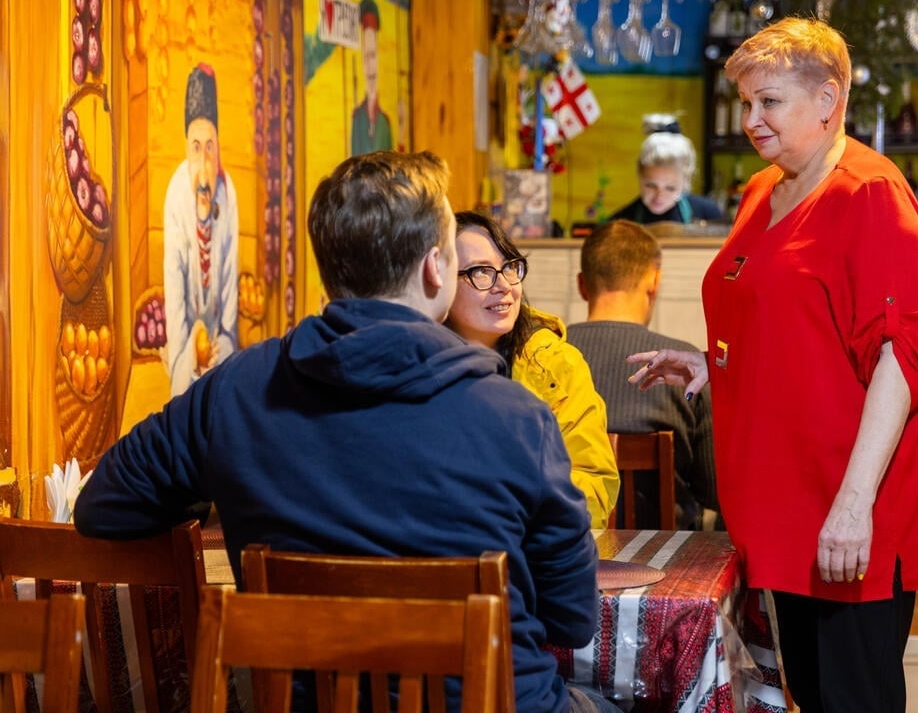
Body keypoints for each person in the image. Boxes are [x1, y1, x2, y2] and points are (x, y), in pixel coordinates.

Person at [75, 151, 614, 713]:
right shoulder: (516, 416)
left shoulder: (232, 392)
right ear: (435, 268)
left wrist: (225, 470)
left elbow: (103, 507)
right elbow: (571, 619)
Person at [626, 17, 918, 713]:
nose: (751, 119)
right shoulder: (765, 190)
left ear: (828, 100)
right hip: (784, 503)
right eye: (748, 102)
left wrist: (853, 506)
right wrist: (711, 364)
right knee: (809, 695)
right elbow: (791, 322)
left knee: (853, 696)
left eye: (770, 102)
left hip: (848, 503)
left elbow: (899, 360)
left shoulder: (869, 194)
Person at [446, 210, 619, 530]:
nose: (503, 286)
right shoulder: (419, 365)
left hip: (536, 552)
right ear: (439, 281)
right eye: (481, 273)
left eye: (509, 268)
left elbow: (595, 485)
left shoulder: (556, 364)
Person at [567, 219, 718, 530]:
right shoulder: (684, 367)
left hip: (564, 556)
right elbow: (715, 489)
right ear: (654, 281)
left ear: (582, 284)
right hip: (663, 558)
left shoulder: (540, 359)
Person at [163, 63, 239, 397]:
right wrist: (186, 351)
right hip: (185, 341)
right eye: (197, 147)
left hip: (218, 338)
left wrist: (224, 339)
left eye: (211, 147)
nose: (205, 165)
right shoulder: (176, 194)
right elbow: (174, 286)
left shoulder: (228, 192)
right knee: (184, 395)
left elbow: (229, 282)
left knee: (227, 391)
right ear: (186, 149)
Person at [608, 114, 725, 226]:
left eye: (670, 188)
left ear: (685, 181)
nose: (659, 196)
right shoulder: (619, 223)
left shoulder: (709, 214)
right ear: (640, 175)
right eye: (651, 185)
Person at [350, 0, 393, 156]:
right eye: (366, 57)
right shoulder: (357, 118)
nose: (370, 65)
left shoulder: (385, 122)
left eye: (373, 56)